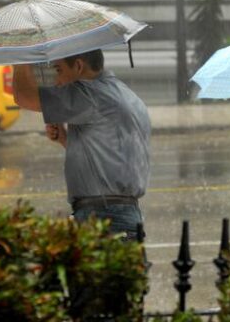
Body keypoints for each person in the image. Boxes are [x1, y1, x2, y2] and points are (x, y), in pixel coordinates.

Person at [12, 49, 151, 240]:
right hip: (123, 217)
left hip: (104, 217)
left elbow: (24, 96)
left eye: (58, 70)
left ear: (78, 66)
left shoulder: (91, 94)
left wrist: (21, 54)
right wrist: (65, 140)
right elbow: (113, 159)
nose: (56, 80)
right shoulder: (125, 95)